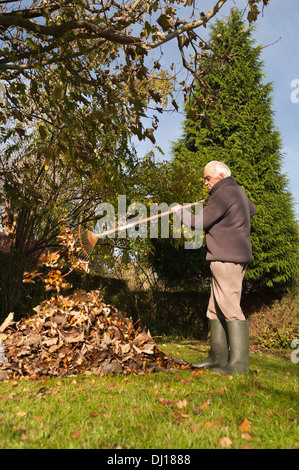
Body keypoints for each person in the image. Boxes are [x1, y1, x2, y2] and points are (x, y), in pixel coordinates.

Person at [173, 161, 256, 374]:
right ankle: (217, 358)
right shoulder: (238, 192)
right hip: (233, 257)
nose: (206, 182)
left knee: (229, 306)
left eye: (208, 178)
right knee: (215, 307)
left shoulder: (223, 193)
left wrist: (179, 212)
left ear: (221, 175)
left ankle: (239, 364)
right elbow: (251, 209)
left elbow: (199, 222)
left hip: (226, 257)